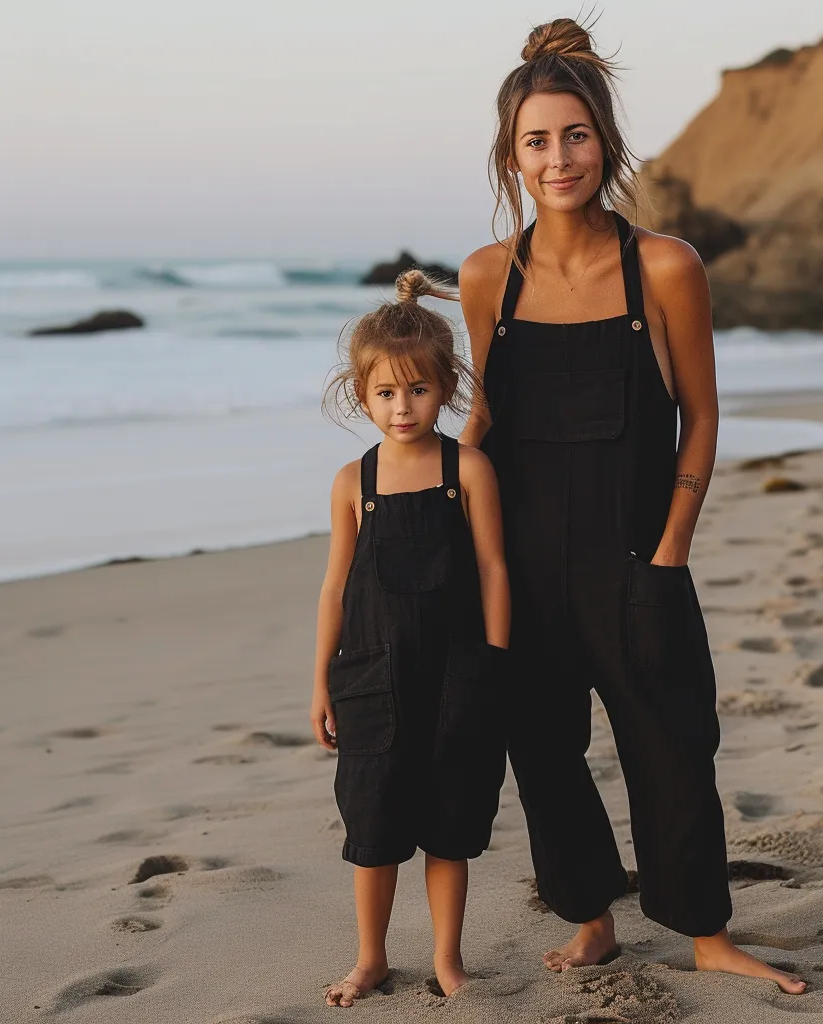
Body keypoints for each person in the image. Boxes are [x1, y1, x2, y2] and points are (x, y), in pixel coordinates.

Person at [458, 18, 806, 994]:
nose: (557, 157)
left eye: (574, 135)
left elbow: (699, 416)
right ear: (510, 154)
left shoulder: (662, 266)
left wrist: (667, 551)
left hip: (633, 558)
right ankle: (593, 920)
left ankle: (704, 932)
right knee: (543, 750)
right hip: (522, 566)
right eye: (536, 140)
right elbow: (483, 424)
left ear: (603, 141)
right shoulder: (489, 278)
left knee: (672, 739)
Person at [310, 270, 511, 1006]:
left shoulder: (469, 468)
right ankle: (370, 958)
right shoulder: (351, 483)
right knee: (374, 823)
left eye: (419, 390)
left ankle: (449, 960)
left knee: (450, 823)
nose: (403, 407)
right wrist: (321, 683)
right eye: (386, 393)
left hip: (459, 674)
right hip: (370, 677)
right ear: (361, 394)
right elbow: (334, 587)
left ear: (446, 387)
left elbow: (493, 568)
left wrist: (494, 660)